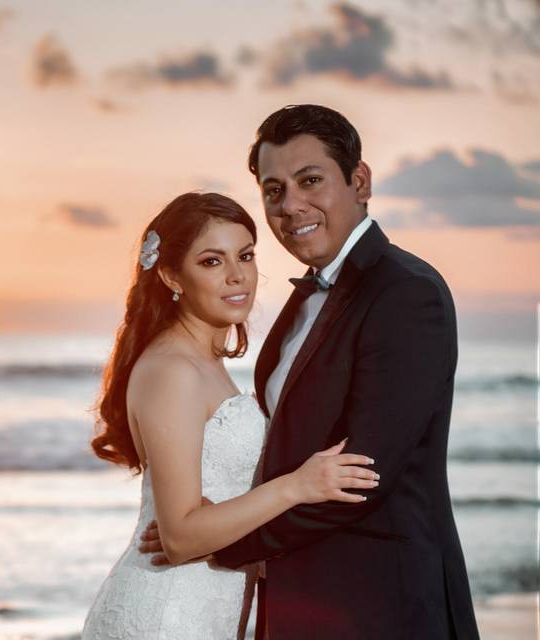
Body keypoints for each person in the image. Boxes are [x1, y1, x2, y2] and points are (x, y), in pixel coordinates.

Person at [139, 105, 480, 639]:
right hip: (298, 602)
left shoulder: (405, 293)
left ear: (359, 181)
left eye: (310, 180)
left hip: (380, 606)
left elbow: (362, 478)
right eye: (274, 191)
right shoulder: (301, 302)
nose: (291, 206)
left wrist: (217, 541)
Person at [81, 192, 378, 640]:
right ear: (169, 275)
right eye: (211, 261)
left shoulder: (205, 363)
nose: (238, 276)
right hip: (165, 618)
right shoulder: (172, 370)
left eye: (245, 255)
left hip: (202, 613)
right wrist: (299, 485)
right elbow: (180, 538)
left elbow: (208, 513)